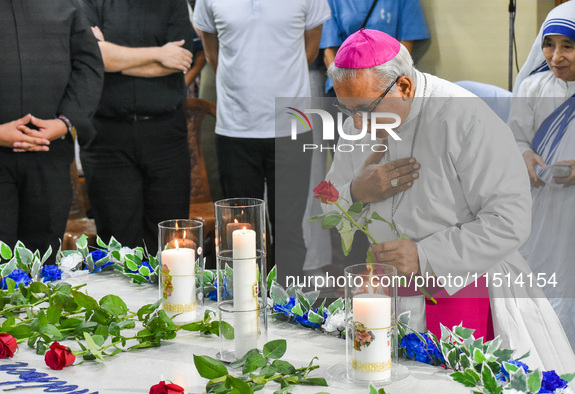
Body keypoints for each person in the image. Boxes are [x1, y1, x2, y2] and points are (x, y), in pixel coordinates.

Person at [323, 28, 575, 372]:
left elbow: (510, 220)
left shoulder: (466, 119)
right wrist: (356, 192)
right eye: (345, 108)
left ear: (405, 86)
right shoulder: (361, 115)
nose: (357, 124)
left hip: (465, 286)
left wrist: (424, 255)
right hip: (386, 290)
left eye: (365, 109)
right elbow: (329, 202)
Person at [193, 0, 331, 282]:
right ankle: (246, 303)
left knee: (289, 228)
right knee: (240, 229)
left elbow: (310, 49)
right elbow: (213, 55)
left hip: (291, 127)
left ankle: (286, 307)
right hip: (235, 129)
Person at [0, 1, 104, 266]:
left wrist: (64, 122)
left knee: (42, 260)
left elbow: (88, 65)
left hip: (49, 153)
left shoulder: (67, 4)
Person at [79, 0, 194, 254]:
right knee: (117, 245)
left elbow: (180, 61)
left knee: (171, 243)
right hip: (107, 139)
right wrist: (158, 53)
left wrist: (111, 56)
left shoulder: (173, 4)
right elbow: (92, 56)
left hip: (165, 136)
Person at [507, 1, 575, 352]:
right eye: (550, 44)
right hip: (540, 203)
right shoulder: (533, 89)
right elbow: (515, 135)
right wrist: (525, 156)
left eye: (568, 46)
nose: (556, 56)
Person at [320, 0, 429, 96]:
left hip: (387, 85)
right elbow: (329, 52)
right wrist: (346, 85)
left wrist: (386, 83)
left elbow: (405, 49)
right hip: (347, 85)